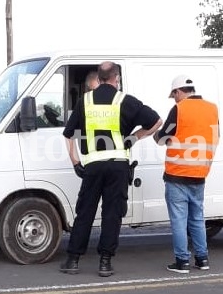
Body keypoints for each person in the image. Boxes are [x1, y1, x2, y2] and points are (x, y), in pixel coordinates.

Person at [61, 61, 162, 277]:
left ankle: (73, 260)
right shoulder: (125, 100)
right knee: (112, 214)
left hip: (93, 166)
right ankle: (105, 262)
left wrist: (76, 162)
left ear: (99, 77)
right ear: (116, 78)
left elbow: (68, 134)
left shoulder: (84, 101)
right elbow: (157, 122)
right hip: (117, 166)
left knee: (85, 212)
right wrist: (135, 137)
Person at [154, 75, 219, 274]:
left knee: (179, 220)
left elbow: (163, 137)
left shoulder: (179, 109)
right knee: (197, 219)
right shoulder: (212, 109)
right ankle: (202, 259)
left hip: (177, 175)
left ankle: (182, 261)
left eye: (173, 95)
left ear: (178, 91)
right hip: (200, 174)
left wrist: (158, 134)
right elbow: (216, 137)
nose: (174, 99)